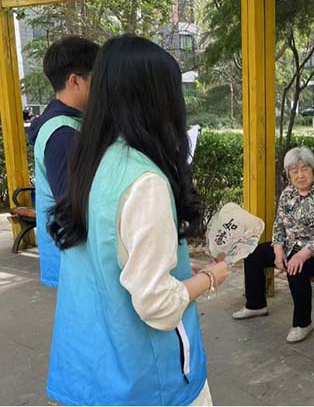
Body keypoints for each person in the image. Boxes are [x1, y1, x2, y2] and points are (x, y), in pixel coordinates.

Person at [46, 35, 228, 405]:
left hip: (95, 369)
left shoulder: (93, 160)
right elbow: (157, 305)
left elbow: (111, 253)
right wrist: (209, 278)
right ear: (156, 99)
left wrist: (176, 266)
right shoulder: (145, 181)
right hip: (148, 379)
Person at [232, 147, 314, 343]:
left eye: (304, 169)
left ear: (313, 169)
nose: (300, 175)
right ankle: (256, 305)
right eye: (294, 171)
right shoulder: (288, 192)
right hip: (292, 244)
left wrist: (302, 254)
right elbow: (279, 223)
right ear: (288, 173)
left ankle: (302, 324)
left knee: (296, 269)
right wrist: (277, 249)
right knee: (254, 254)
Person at [27, 36, 99, 287]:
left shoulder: (68, 123)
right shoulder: (63, 133)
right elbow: (72, 206)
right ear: (75, 81)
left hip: (76, 260)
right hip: (76, 262)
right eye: (98, 78)